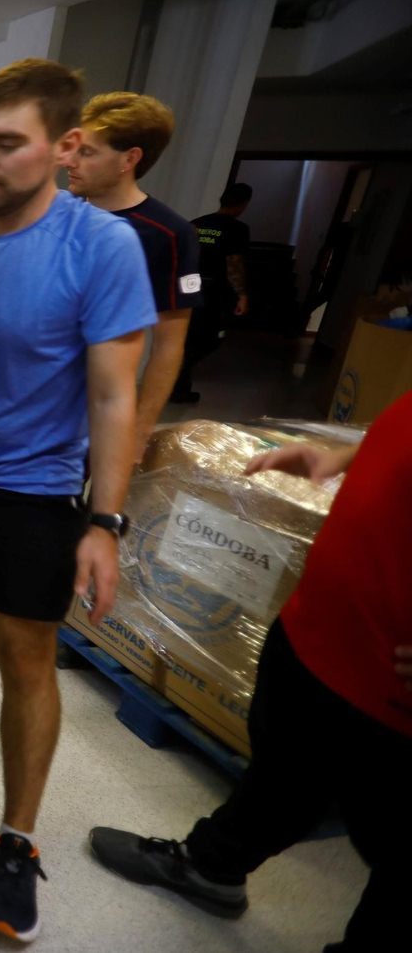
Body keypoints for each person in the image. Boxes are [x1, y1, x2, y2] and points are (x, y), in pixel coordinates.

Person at [0, 59, 156, 942]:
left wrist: (105, 522)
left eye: (8, 143)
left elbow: (114, 395)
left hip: (33, 490)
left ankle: (18, 839)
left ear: (66, 146)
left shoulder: (102, 248)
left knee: (24, 657)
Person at [90, 388, 412, 953]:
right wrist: (347, 456)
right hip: (323, 634)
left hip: (392, 693)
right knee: (287, 764)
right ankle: (212, 866)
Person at [0, 90, 204, 668]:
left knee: (66, 517)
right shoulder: (40, 216)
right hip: (5, 407)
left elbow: (171, 342)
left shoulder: (163, 234)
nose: (70, 160)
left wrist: (140, 424)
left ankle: (44, 619)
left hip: (88, 411)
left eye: (87, 151)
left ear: (130, 158)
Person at [173, 182, 252, 403]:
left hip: (188, 286)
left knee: (189, 338)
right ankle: (177, 380)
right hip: (213, 291)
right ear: (244, 204)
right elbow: (233, 263)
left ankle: (179, 388)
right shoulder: (238, 229)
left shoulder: (197, 224)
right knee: (212, 338)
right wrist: (242, 294)